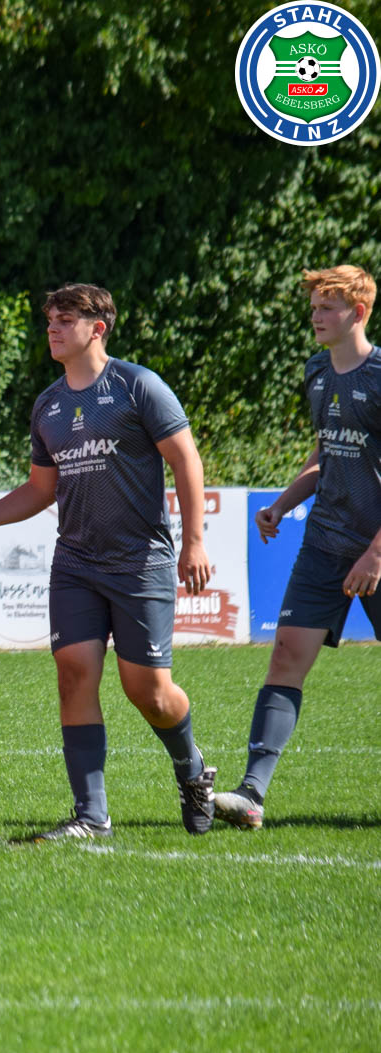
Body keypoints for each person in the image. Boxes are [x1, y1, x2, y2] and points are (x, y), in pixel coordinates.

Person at [0, 283, 217, 840]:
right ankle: (92, 815)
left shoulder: (138, 386)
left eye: (66, 319)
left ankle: (192, 770)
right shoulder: (47, 404)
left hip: (140, 562)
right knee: (73, 675)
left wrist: (193, 542)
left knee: (149, 692)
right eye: (50, 319)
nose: (53, 327)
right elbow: (39, 490)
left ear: (98, 328)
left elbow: (185, 459)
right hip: (75, 564)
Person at [214, 265, 381, 828]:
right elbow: (325, 452)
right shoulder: (316, 371)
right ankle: (251, 795)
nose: (315, 316)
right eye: (313, 307)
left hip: (377, 549)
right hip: (324, 543)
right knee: (285, 656)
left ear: (358, 313)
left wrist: (376, 554)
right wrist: (283, 504)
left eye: (327, 307)